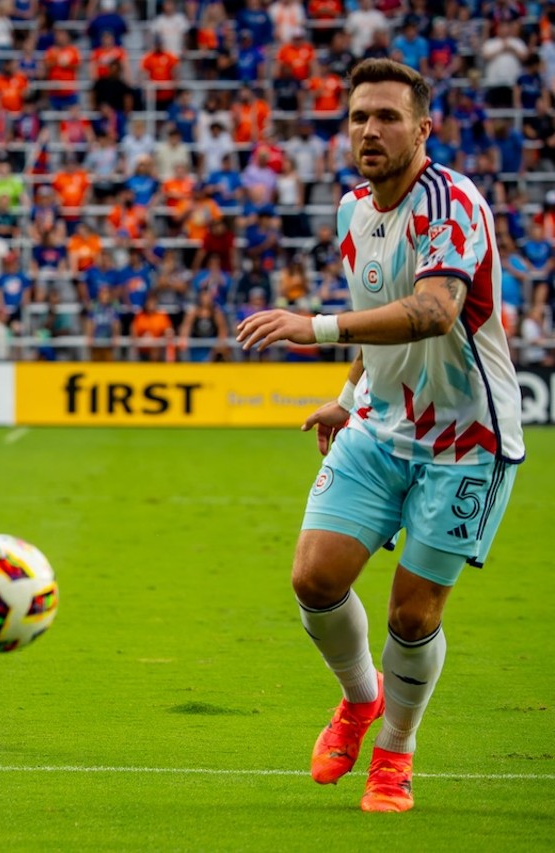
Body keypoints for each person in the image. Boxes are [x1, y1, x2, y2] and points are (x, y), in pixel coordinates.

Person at [235, 59, 525, 813]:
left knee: (412, 614)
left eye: (388, 117)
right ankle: (360, 701)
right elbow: (382, 315)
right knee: (314, 579)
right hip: (378, 422)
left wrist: (315, 328)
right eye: (360, 116)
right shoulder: (351, 210)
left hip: (468, 440)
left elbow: (431, 309)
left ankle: (394, 751)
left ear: (423, 130)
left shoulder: (454, 201)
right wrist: (345, 395)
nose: (370, 129)